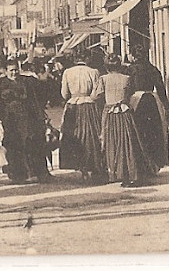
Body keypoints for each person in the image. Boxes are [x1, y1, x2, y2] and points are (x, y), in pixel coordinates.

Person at [98, 54, 156, 188]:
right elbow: (130, 94)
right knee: (128, 142)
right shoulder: (127, 79)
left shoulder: (103, 79)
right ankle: (131, 173)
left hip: (110, 112)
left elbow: (97, 95)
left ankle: (116, 172)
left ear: (107, 66)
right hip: (125, 112)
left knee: (112, 142)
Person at [59, 48, 107, 183]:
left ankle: (81, 168)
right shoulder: (94, 72)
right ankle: (94, 166)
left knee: (74, 135)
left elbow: (64, 94)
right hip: (88, 105)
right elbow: (97, 93)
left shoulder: (67, 72)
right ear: (87, 59)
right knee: (91, 136)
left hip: (73, 105)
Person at [127, 42, 169, 169]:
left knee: (137, 132)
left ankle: (141, 163)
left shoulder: (130, 69)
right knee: (153, 132)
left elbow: (128, 87)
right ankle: (153, 162)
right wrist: (166, 106)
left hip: (136, 101)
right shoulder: (153, 69)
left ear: (133, 56)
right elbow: (161, 88)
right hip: (152, 101)